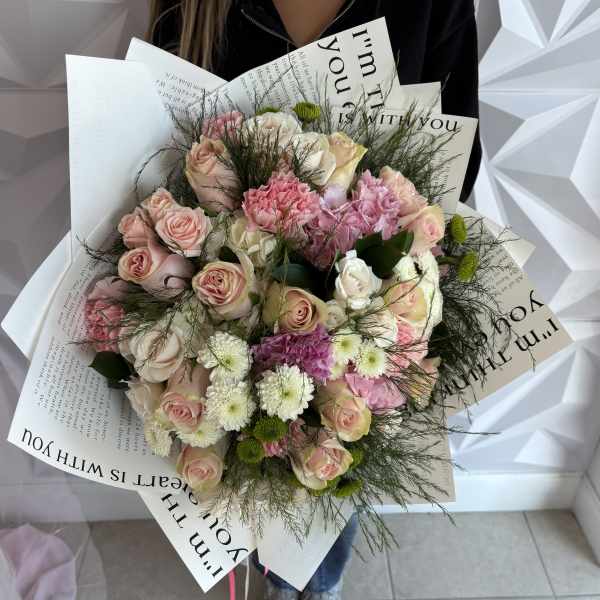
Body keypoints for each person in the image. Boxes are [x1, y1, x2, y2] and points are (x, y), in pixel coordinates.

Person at [147, 1, 481, 598]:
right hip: (218, 327)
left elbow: (456, 156)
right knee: (246, 471)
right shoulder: (196, 9)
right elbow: (153, 149)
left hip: (362, 333)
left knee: (329, 475)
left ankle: (314, 585)